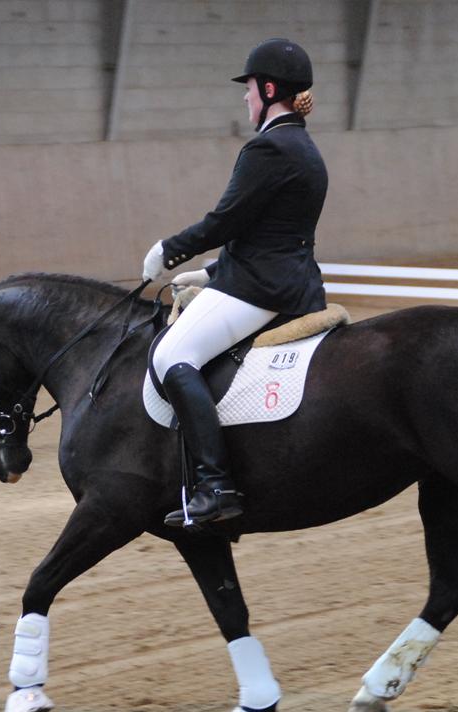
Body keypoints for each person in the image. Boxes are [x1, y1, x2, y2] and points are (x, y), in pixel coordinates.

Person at [141, 38, 329, 527]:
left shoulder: (268, 148)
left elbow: (224, 221)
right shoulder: (302, 146)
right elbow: (267, 231)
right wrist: (210, 272)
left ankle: (215, 484)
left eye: (249, 88)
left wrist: (168, 250)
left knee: (170, 355)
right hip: (289, 279)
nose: (244, 97)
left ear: (268, 90)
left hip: (263, 290)